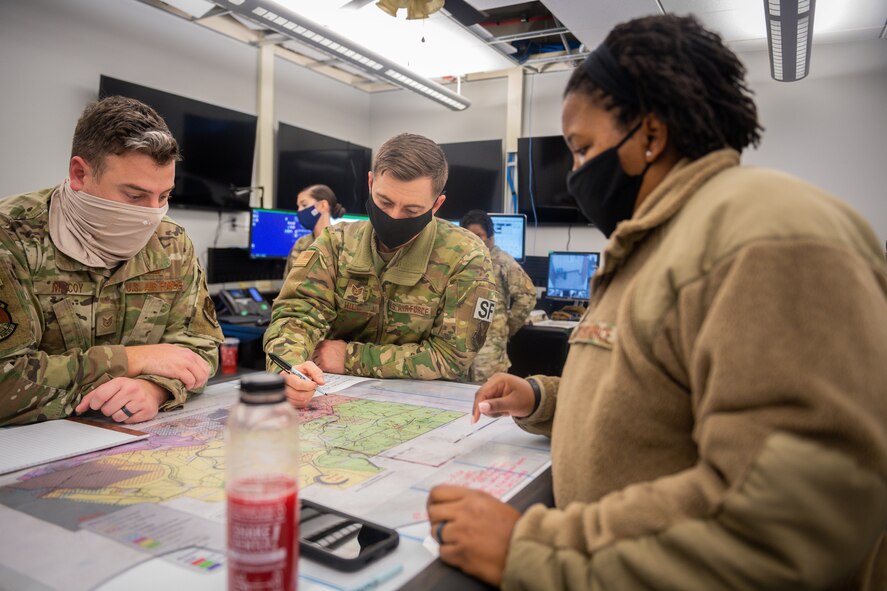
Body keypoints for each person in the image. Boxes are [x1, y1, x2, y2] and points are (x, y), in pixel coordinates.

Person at [426, 14, 887, 590]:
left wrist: (532, 551)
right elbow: (655, 393)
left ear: (649, 135)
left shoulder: (765, 234)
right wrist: (541, 397)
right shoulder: (659, 243)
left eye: (582, 148)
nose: (574, 174)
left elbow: (795, 514)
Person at [0, 96, 224, 426]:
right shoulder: (11, 238)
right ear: (80, 173)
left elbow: (199, 350)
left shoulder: (172, 243)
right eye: (134, 196)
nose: (151, 215)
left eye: (163, 196)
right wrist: (129, 361)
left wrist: (154, 388)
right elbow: (6, 381)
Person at [264, 133, 498, 407]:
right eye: (384, 202)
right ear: (371, 182)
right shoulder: (335, 244)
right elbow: (296, 315)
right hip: (333, 402)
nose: (394, 217)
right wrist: (289, 369)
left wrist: (352, 357)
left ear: (436, 205)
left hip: (424, 408)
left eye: (412, 210)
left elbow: (451, 356)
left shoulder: (466, 255)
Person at [460, 209, 535, 383]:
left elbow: (527, 295)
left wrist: (507, 326)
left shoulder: (502, 261)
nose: (476, 240)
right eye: (470, 235)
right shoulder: (461, 260)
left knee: (489, 397)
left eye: (480, 235)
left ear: (490, 236)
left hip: (490, 350)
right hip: (461, 349)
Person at [282, 184, 345, 278]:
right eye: (298, 206)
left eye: (304, 205)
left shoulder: (343, 242)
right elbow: (288, 284)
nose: (299, 211)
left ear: (323, 205)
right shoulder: (301, 244)